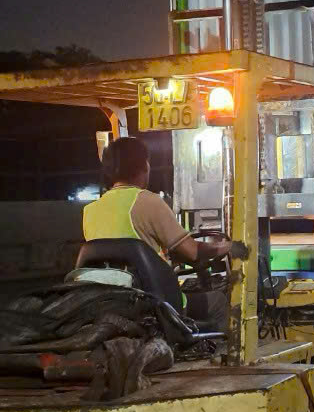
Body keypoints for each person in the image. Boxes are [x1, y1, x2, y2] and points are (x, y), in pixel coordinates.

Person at [83, 136, 231, 331]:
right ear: (142, 166)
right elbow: (193, 251)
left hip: (110, 303)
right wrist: (227, 247)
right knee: (218, 301)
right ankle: (215, 349)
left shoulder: (90, 211)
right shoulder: (147, 201)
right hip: (154, 305)